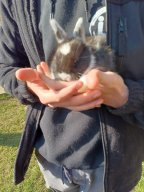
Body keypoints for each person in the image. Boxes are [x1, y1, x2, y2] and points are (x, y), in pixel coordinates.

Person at [0, 0, 144, 191]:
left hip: (114, 163)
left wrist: (127, 96)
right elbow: (6, 66)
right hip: (52, 157)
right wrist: (32, 86)